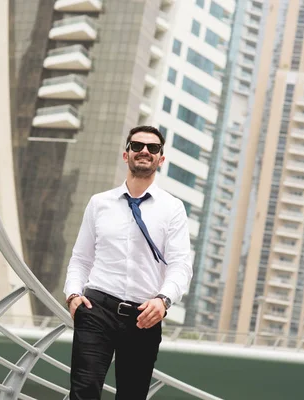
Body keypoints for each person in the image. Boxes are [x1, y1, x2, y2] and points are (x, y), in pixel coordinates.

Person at [64, 125, 193, 399]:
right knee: (83, 390)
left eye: (153, 148)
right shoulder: (100, 203)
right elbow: (81, 257)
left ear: (161, 159)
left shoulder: (173, 208)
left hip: (144, 315)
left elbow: (181, 265)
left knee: (132, 395)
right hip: (97, 307)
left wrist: (163, 300)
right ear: (126, 155)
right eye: (137, 146)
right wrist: (73, 294)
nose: (144, 151)